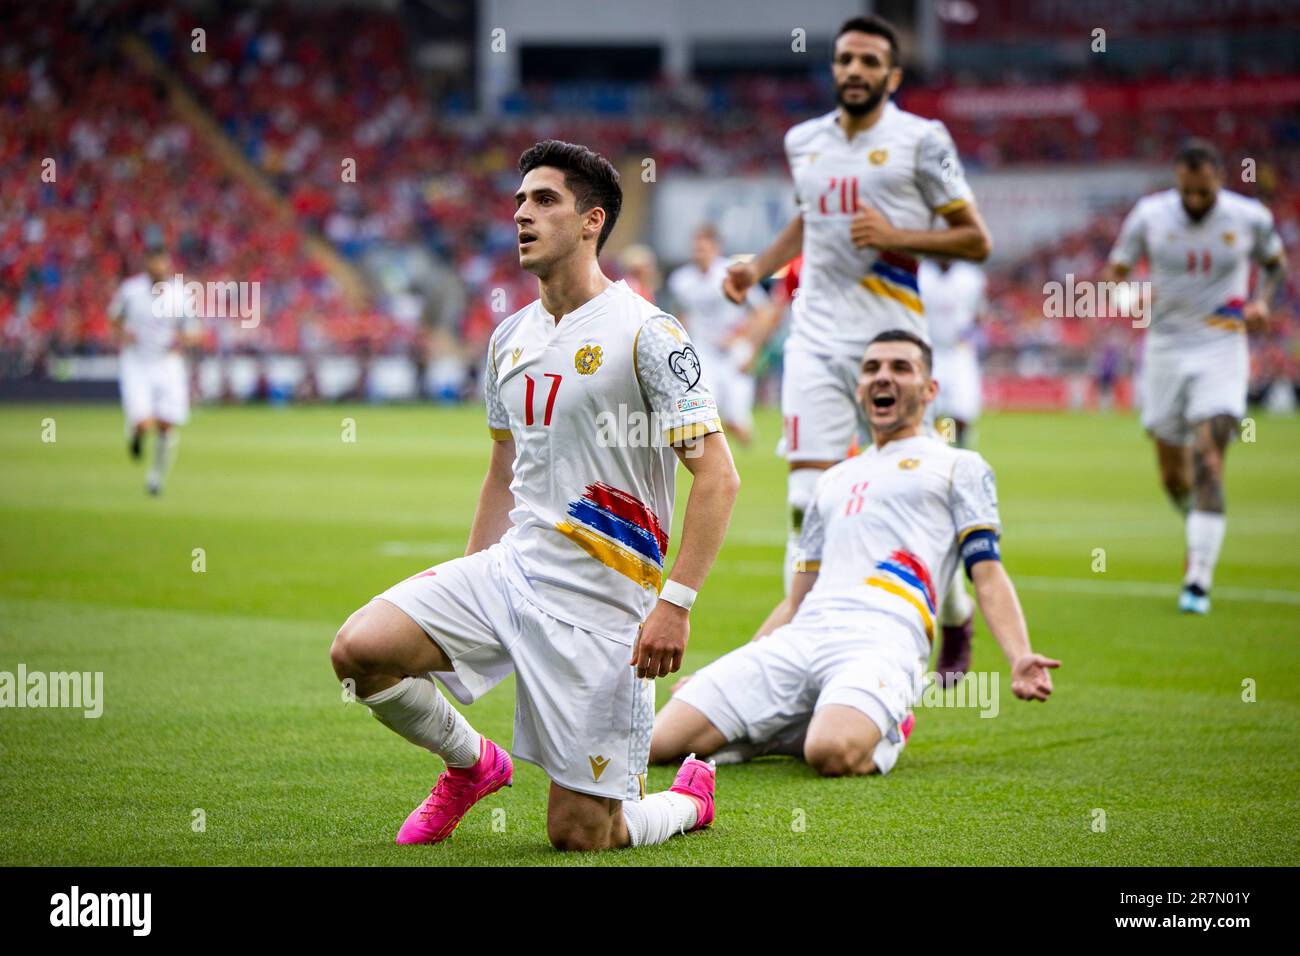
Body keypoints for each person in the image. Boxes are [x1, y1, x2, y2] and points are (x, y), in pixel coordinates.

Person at [331, 140, 740, 851]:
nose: (522, 213)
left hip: (604, 606)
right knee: (359, 650)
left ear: (592, 221)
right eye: (520, 200)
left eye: (544, 200)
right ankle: (470, 764)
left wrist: (675, 604)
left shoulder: (648, 333)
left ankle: (685, 805)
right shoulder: (507, 339)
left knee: (584, 835)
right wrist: (469, 582)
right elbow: (502, 467)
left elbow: (718, 475)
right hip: (512, 571)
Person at [651, 330, 1059, 776]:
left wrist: (1019, 655)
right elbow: (796, 600)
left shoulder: (961, 467)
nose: (883, 377)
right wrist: (739, 669)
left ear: (930, 390)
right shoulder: (832, 480)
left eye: (900, 368)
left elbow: (988, 574)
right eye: (872, 368)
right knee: (660, 741)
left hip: (884, 639)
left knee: (830, 752)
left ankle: (889, 728)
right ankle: (798, 724)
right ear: (860, 388)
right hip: (804, 635)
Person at [721, 14, 992, 678]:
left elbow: (975, 239)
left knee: (910, 492)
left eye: (870, 62)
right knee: (805, 498)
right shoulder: (804, 141)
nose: (855, 72)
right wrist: (756, 268)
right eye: (846, 60)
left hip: (891, 338)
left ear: (892, 76)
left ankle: (954, 613)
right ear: (834, 66)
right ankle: (802, 645)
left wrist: (899, 232)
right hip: (814, 335)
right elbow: (808, 219)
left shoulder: (923, 142)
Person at [1102, 139, 1287, 614]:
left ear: (1219, 182)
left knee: (1209, 455)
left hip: (1222, 346)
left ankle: (1198, 579)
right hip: (1165, 349)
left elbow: (1275, 264)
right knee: (1172, 474)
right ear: (1177, 182)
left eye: (1204, 193)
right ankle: (1195, 522)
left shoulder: (1249, 218)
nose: (1196, 202)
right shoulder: (1149, 215)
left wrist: (1263, 300)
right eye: (1188, 193)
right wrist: (1124, 297)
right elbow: (1115, 272)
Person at [667, 224, 777, 445]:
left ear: (717, 248)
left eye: (705, 248)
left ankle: (737, 437)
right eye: (697, 248)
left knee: (739, 422)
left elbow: (763, 312)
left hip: (734, 351)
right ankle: (712, 453)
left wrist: (750, 348)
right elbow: (681, 315)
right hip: (702, 352)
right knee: (704, 408)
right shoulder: (681, 280)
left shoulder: (731, 274)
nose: (700, 253)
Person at [108, 243, 201, 496]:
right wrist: (123, 335)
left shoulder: (180, 294)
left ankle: (155, 478)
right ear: (147, 263)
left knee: (166, 425)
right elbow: (114, 319)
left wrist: (183, 340)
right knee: (143, 422)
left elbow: (194, 330)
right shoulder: (130, 291)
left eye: (162, 262)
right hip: (137, 362)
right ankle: (136, 435)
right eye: (154, 261)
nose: (159, 267)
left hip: (167, 363)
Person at [918, 258, 986, 448]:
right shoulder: (922, 275)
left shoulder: (970, 277)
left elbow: (978, 311)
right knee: (936, 406)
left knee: (962, 408)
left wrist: (972, 334)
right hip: (930, 349)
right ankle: (943, 446)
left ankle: (960, 447)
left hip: (959, 350)